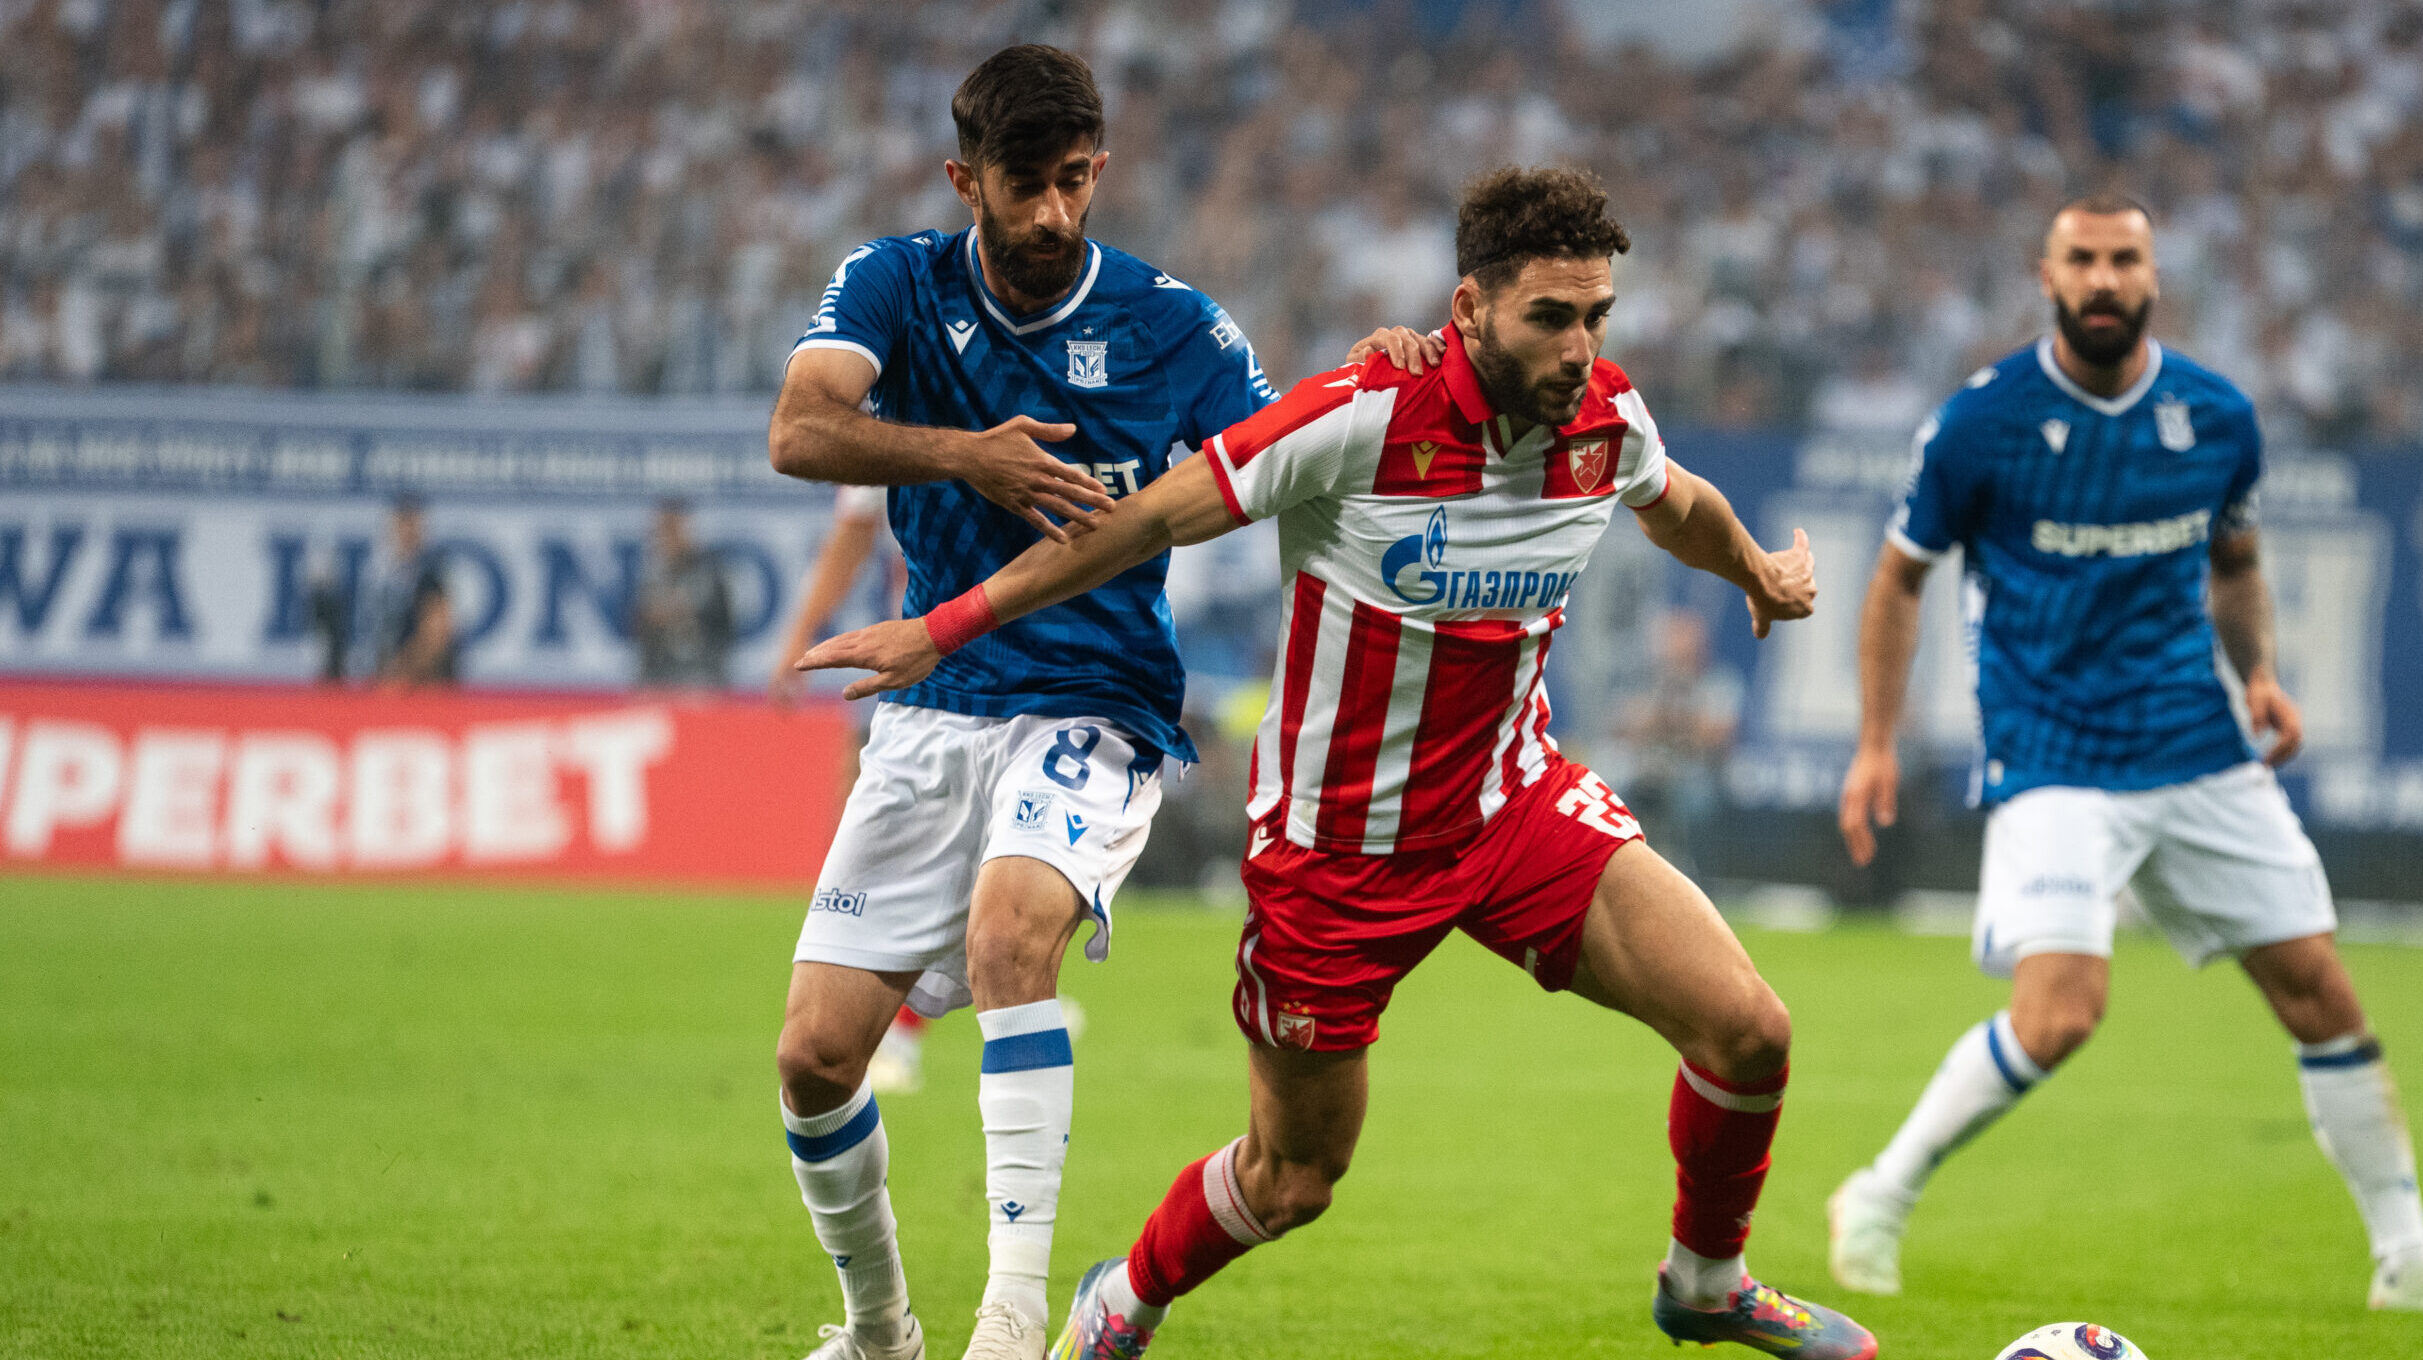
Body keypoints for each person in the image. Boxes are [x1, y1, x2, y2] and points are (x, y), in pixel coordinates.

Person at [804, 166, 1878, 1360]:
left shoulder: (1604, 419)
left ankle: (1706, 1281)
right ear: (1469, 308)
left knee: (1748, 1031)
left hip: (1511, 808)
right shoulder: (1359, 417)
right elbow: (1142, 521)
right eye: (1549, 318)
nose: (1580, 349)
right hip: (1335, 856)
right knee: (1294, 1175)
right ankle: (1125, 1297)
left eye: (1596, 317)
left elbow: (1673, 502)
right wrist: (944, 626)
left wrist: (1756, 573)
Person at [764, 45, 1284, 1360]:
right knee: (814, 1059)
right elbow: (798, 431)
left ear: (1097, 168)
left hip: (1095, 701)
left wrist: (1383, 372)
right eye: (1024, 186)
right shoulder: (895, 282)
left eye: (1074, 181)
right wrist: (965, 457)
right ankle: (878, 1331)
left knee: (1008, 940)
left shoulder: (1173, 324)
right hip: (934, 704)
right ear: (965, 181)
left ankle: (1011, 1317)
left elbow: (1292, 454)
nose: (1054, 213)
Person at [1828, 196, 2423, 1311]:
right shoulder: (1979, 422)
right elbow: (1898, 577)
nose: (2102, 278)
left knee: (2319, 990)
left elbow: (2233, 563)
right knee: (2059, 1013)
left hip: (2194, 742)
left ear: (2153, 276)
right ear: (2045, 276)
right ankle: (1878, 1193)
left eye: (2123, 259)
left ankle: (2407, 1252)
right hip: (2051, 750)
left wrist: (2257, 673)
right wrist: (1873, 741)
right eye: (2082, 260)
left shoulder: (2216, 415)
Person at [633, 498, 735, 689]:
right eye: (660, 532)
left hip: (701, 676)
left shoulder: (710, 572)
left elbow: (721, 625)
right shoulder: (653, 574)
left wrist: (671, 609)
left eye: (672, 530)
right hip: (657, 678)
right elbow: (639, 628)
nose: (664, 539)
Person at [361, 496, 454, 687]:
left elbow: (436, 635)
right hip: (376, 678)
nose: (409, 533)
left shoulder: (432, 573)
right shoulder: (377, 572)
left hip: (416, 683)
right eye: (403, 524)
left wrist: (401, 672)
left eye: (414, 525)